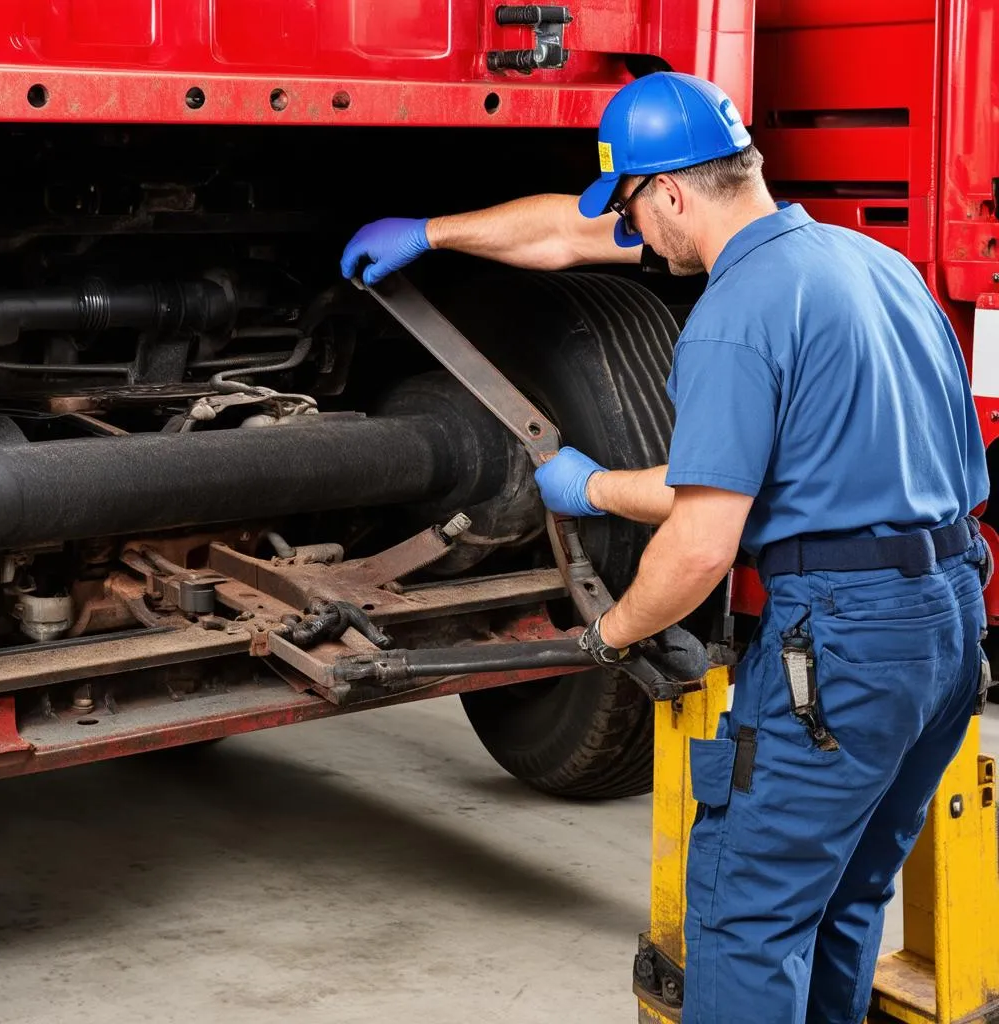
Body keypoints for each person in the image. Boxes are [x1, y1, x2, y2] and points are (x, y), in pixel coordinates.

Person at [340, 71, 991, 1024]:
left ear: (675, 192)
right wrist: (593, 484)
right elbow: (772, 476)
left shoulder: (736, 314)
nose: (634, 237)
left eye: (638, 212)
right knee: (843, 898)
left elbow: (702, 544)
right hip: (947, 625)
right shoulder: (874, 265)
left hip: (843, 649)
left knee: (745, 919)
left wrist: (610, 634)